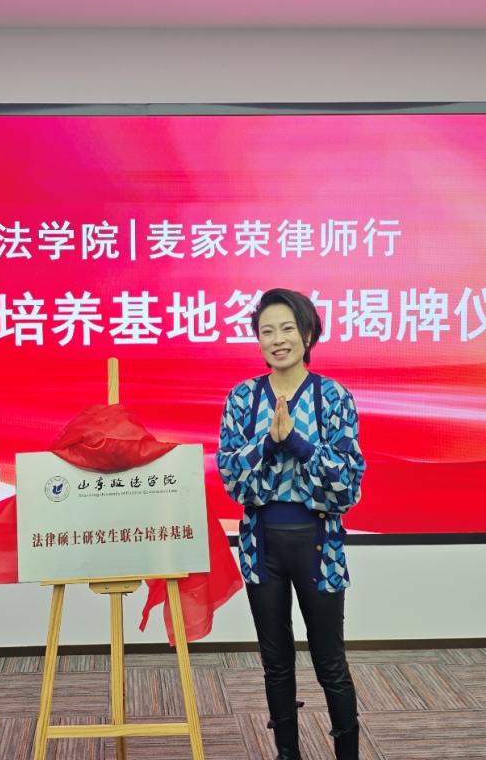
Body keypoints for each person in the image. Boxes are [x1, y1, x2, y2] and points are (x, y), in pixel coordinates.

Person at [216, 288, 365, 760]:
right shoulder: (242, 398)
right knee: (275, 662)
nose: (277, 340)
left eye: (286, 329)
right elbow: (231, 478)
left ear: (307, 333)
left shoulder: (332, 396)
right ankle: (287, 753)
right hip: (262, 546)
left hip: (320, 546)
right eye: (267, 331)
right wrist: (267, 443)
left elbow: (348, 485)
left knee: (330, 663)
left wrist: (297, 444)